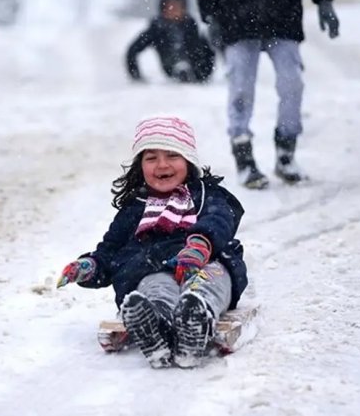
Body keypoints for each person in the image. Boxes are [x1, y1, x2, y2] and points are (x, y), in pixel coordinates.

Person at [55, 116, 248, 369]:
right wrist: (89, 266)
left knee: (208, 282)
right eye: (151, 158)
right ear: (140, 166)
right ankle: (155, 326)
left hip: (204, 263)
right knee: (155, 287)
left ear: (189, 161)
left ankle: (196, 319)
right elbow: (111, 251)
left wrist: (200, 243)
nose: (162, 165)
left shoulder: (206, 195)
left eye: (172, 155)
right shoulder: (134, 208)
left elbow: (220, 218)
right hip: (154, 269)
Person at [196, 0, 340, 189]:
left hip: (283, 14)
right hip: (236, 18)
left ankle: (286, 153)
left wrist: (324, 0)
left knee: (292, 84)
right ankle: (244, 157)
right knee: (240, 88)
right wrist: (210, 15)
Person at [125, 0, 216, 84]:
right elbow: (133, 50)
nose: (174, 10)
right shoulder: (157, 29)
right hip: (170, 68)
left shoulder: (191, 26)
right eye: (170, 6)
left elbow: (207, 51)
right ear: (163, 8)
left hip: (198, 72)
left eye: (178, 6)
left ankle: (187, 70)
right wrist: (136, 76)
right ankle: (180, 69)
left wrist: (205, 73)